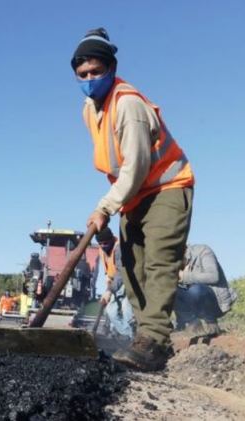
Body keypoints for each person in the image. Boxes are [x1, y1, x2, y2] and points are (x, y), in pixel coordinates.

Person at [71, 27, 195, 371]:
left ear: (111, 69)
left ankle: (153, 340)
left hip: (167, 188)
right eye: (83, 74)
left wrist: (104, 207)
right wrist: (115, 205)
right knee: (132, 270)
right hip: (135, 196)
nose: (90, 79)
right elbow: (117, 163)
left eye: (96, 72)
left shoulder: (127, 104)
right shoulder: (90, 109)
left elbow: (137, 164)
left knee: (159, 262)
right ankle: (145, 338)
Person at [174, 244, 237, 336]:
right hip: (192, 305)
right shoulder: (169, 261)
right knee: (167, 291)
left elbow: (213, 276)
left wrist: (184, 276)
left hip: (215, 301)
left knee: (195, 290)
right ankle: (191, 323)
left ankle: (211, 322)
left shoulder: (203, 251)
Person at [96, 227, 135, 339]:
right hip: (114, 283)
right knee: (111, 311)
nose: (103, 246)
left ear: (112, 239)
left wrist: (109, 290)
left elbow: (121, 272)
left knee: (127, 311)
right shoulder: (102, 249)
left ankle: (134, 338)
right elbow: (108, 270)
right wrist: (108, 282)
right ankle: (129, 335)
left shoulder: (119, 248)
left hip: (127, 282)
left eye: (105, 243)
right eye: (100, 243)